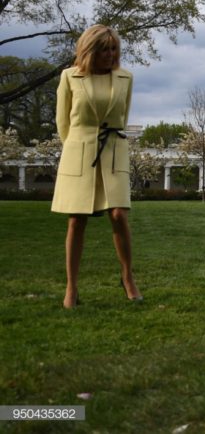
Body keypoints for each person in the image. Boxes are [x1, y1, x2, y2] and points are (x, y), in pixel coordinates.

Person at [51, 25, 142, 309]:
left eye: (114, 48)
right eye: (104, 49)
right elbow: (63, 124)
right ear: (90, 50)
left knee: (118, 214)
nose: (110, 54)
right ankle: (71, 287)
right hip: (79, 152)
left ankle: (127, 276)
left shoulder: (125, 78)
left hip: (114, 150)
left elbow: (123, 118)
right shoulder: (70, 77)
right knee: (77, 220)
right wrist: (80, 145)